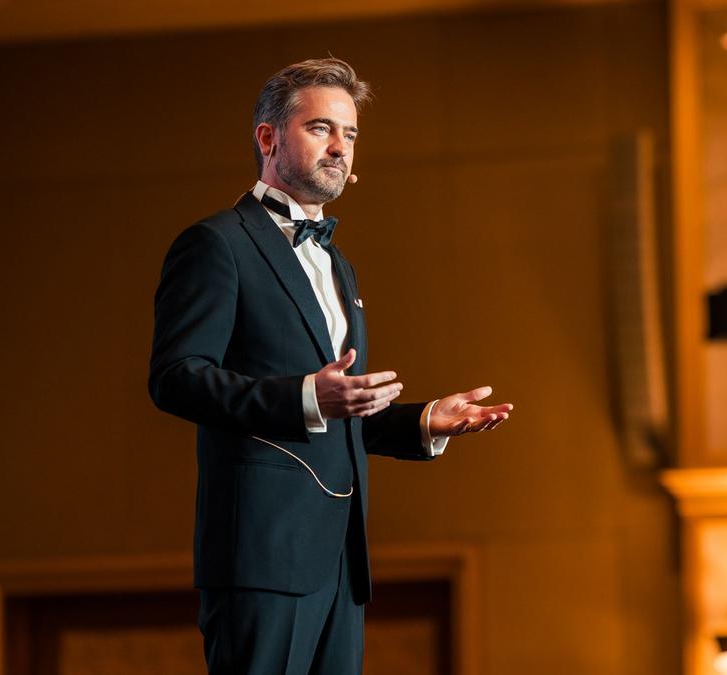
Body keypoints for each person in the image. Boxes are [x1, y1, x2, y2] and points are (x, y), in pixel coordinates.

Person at [148, 57, 512, 675]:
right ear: (268, 138)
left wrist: (422, 421)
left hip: (342, 559)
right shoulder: (217, 244)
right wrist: (306, 398)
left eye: (350, 134)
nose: (340, 147)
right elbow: (176, 377)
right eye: (321, 128)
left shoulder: (338, 265)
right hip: (261, 552)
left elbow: (339, 409)